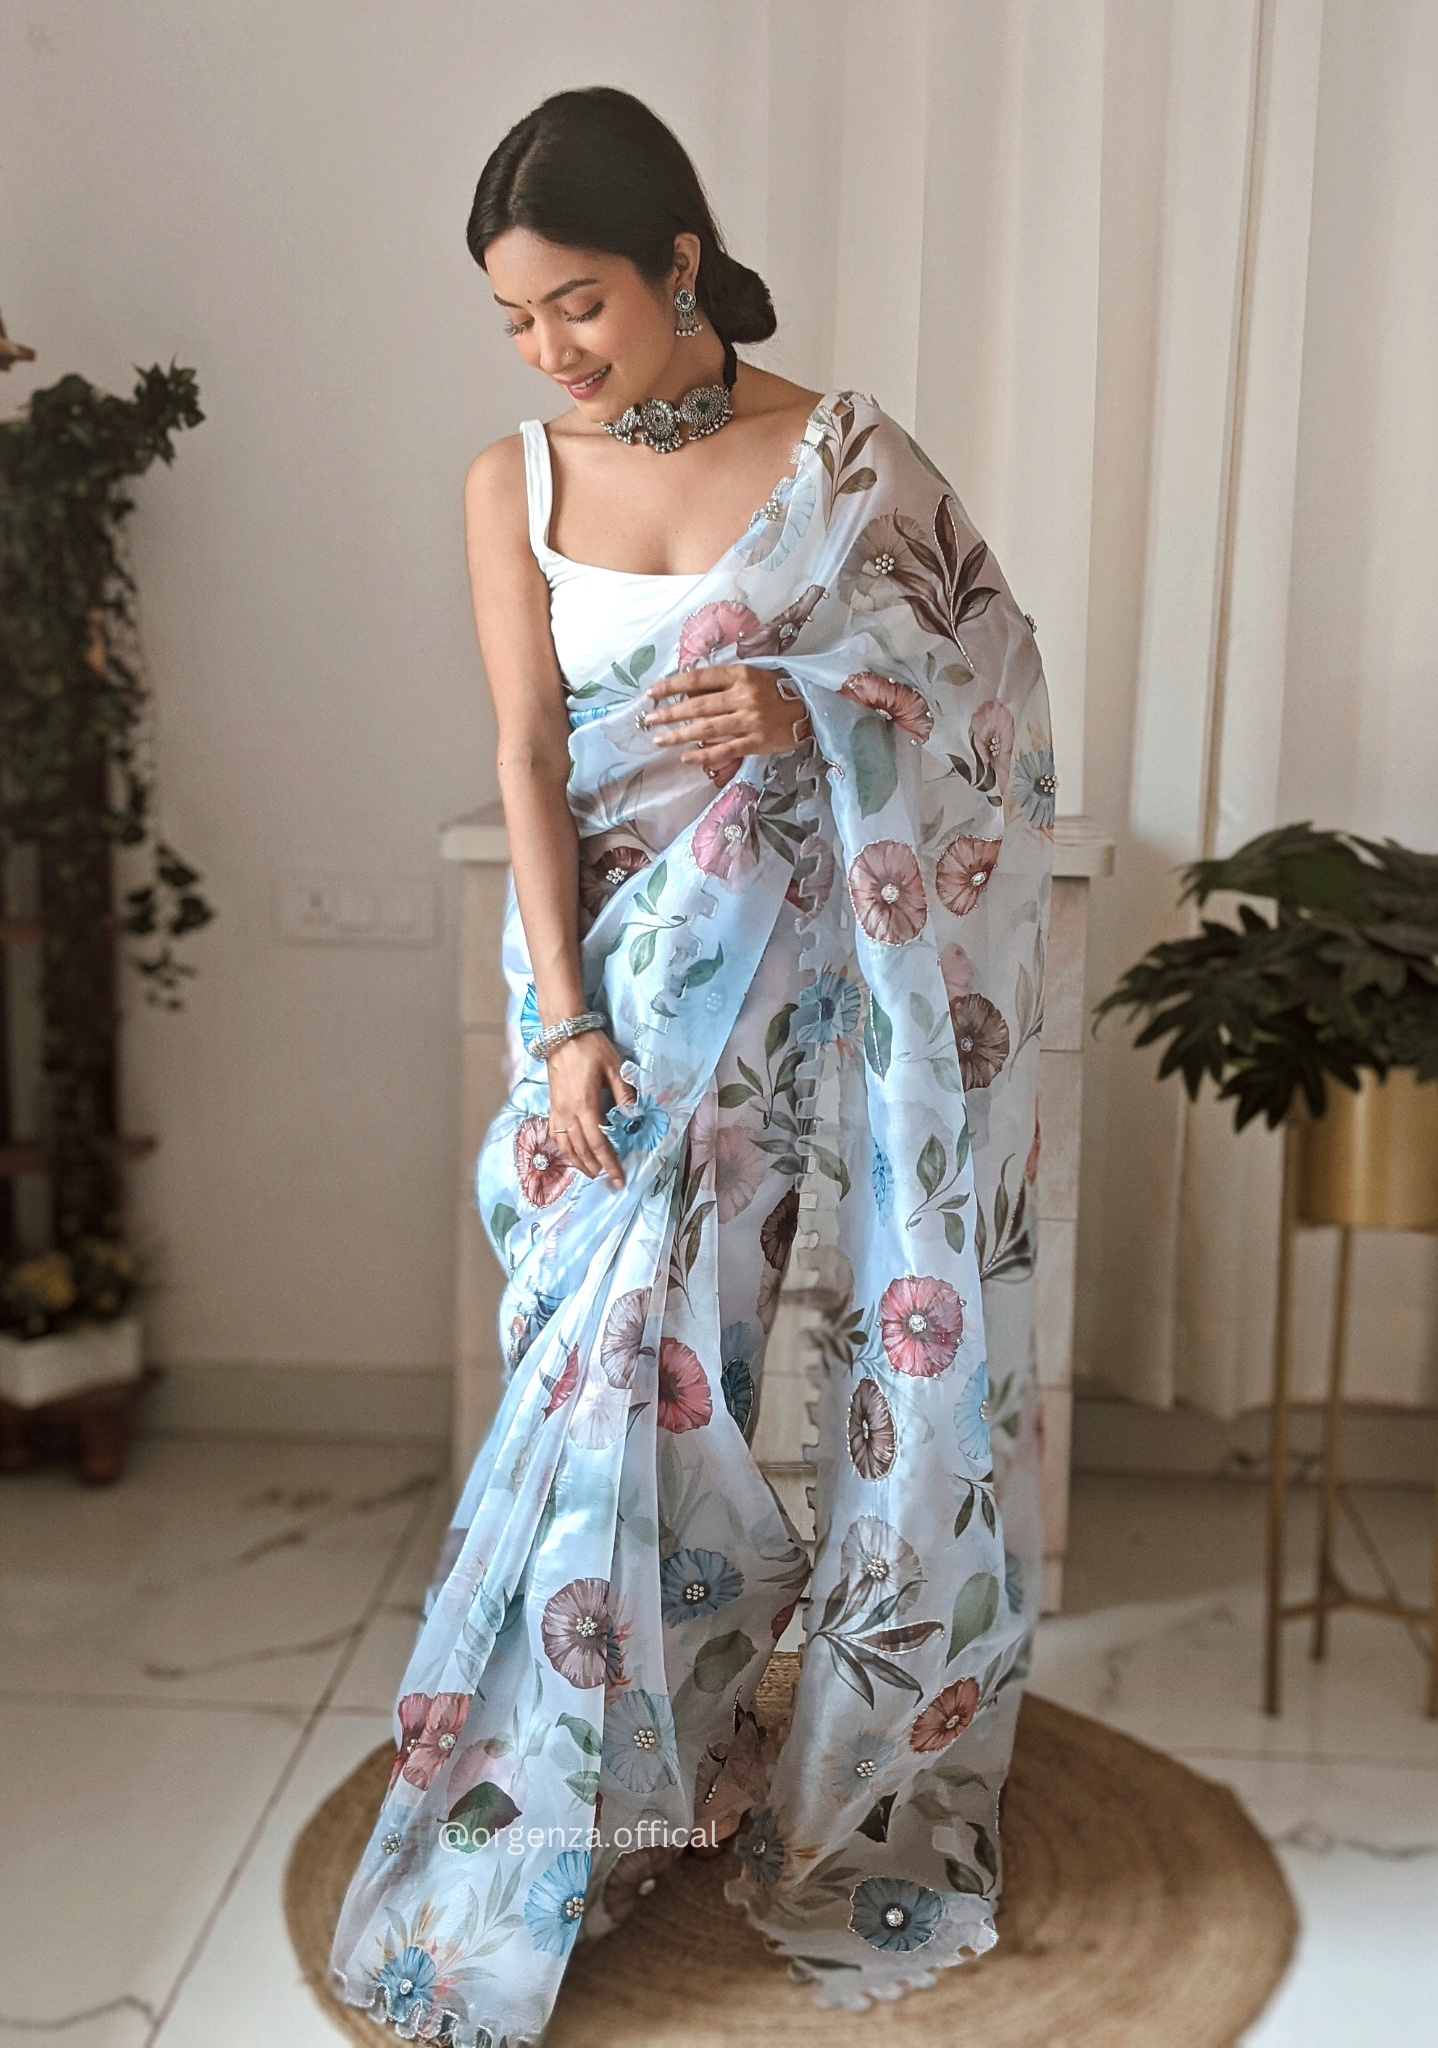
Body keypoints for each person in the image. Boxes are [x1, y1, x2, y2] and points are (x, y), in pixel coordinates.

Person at [329, 84, 1054, 2047]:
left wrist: (816, 708)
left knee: (716, 1392)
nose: (548, 351)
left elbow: (992, 696)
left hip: (794, 998)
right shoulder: (509, 481)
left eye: (575, 302)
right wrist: (566, 1025)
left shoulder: (842, 459)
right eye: (513, 319)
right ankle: (585, 1802)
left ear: (675, 260)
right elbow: (524, 759)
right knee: (607, 1389)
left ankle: (692, 1772)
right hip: (604, 1007)